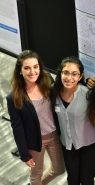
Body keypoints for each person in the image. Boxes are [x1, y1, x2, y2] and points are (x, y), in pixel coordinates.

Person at [6, 50, 65, 185]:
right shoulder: (14, 97)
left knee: (59, 169)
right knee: (36, 174)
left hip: (54, 135)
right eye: (27, 68)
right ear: (20, 71)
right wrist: (24, 154)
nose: (32, 71)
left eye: (35, 67)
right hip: (35, 140)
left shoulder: (47, 80)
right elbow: (17, 127)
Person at [51, 56, 95, 185]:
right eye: (66, 73)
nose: (69, 78)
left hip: (90, 144)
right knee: (72, 180)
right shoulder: (53, 92)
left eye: (74, 74)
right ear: (60, 73)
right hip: (68, 145)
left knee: (86, 180)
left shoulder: (87, 94)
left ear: (80, 76)